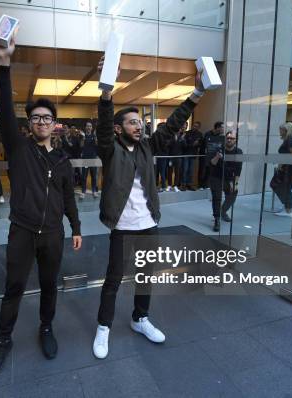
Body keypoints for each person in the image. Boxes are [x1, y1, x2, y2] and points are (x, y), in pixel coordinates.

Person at [92, 55, 207, 359]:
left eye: (141, 122)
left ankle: (139, 318)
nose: (139, 126)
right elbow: (103, 125)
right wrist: (106, 91)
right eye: (132, 122)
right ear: (119, 129)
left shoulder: (148, 147)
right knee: (113, 279)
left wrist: (196, 93)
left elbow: (173, 124)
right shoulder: (110, 149)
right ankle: (103, 327)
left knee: (146, 276)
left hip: (148, 225)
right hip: (121, 226)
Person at [0, 31, 82, 376]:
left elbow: (67, 195)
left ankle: (46, 328)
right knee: (13, 286)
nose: (42, 122)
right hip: (23, 231)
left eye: (47, 118)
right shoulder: (18, 148)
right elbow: (3, 110)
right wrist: (4, 63)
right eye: (36, 118)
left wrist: (76, 226)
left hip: (53, 233)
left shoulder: (61, 159)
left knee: (49, 285)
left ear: (54, 125)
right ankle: (3, 339)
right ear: (30, 124)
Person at [209, 132, 243, 231]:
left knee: (233, 194)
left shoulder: (238, 152)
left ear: (235, 140)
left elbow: (238, 169)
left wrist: (235, 183)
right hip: (216, 177)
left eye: (232, 138)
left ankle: (222, 212)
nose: (229, 140)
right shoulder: (218, 149)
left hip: (229, 178)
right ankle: (217, 219)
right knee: (217, 197)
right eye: (228, 138)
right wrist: (217, 156)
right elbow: (212, 163)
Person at [271, 122, 292, 217]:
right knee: (286, 187)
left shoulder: (290, 140)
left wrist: (282, 163)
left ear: (287, 131)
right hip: (288, 168)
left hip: (289, 169)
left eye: (282, 130)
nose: (280, 131)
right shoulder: (290, 140)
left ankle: (289, 209)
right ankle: (288, 207)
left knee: (281, 186)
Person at [201, 122, 225, 191]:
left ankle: (209, 185)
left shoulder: (220, 136)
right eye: (222, 127)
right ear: (217, 128)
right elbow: (205, 145)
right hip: (205, 156)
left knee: (212, 171)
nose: (223, 129)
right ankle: (202, 185)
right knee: (205, 170)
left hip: (214, 156)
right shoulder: (208, 134)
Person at [80, 121, 99, 198]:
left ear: (92, 128)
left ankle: (94, 191)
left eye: (90, 126)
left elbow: (97, 145)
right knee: (84, 176)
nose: (89, 127)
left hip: (93, 158)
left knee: (94, 176)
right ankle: (83, 192)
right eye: (87, 126)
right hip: (85, 159)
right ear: (85, 127)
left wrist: (95, 137)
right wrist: (83, 137)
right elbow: (81, 146)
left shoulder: (94, 136)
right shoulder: (82, 136)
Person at [183, 121, 203, 190]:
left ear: (199, 127)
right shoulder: (187, 133)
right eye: (194, 126)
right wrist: (192, 145)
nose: (195, 127)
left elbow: (201, 144)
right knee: (185, 169)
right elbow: (184, 144)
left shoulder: (200, 134)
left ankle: (189, 184)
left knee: (191, 170)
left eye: (197, 126)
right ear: (192, 126)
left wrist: (197, 144)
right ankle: (183, 185)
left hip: (193, 154)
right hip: (186, 154)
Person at [151, 122, 170, 192]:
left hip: (162, 155)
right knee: (157, 171)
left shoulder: (165, 135)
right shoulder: (156, 134)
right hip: (158, 155)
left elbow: (167, 145)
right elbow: (156, 145)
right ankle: (158, 186)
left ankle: (162, 186)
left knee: (161, 171)